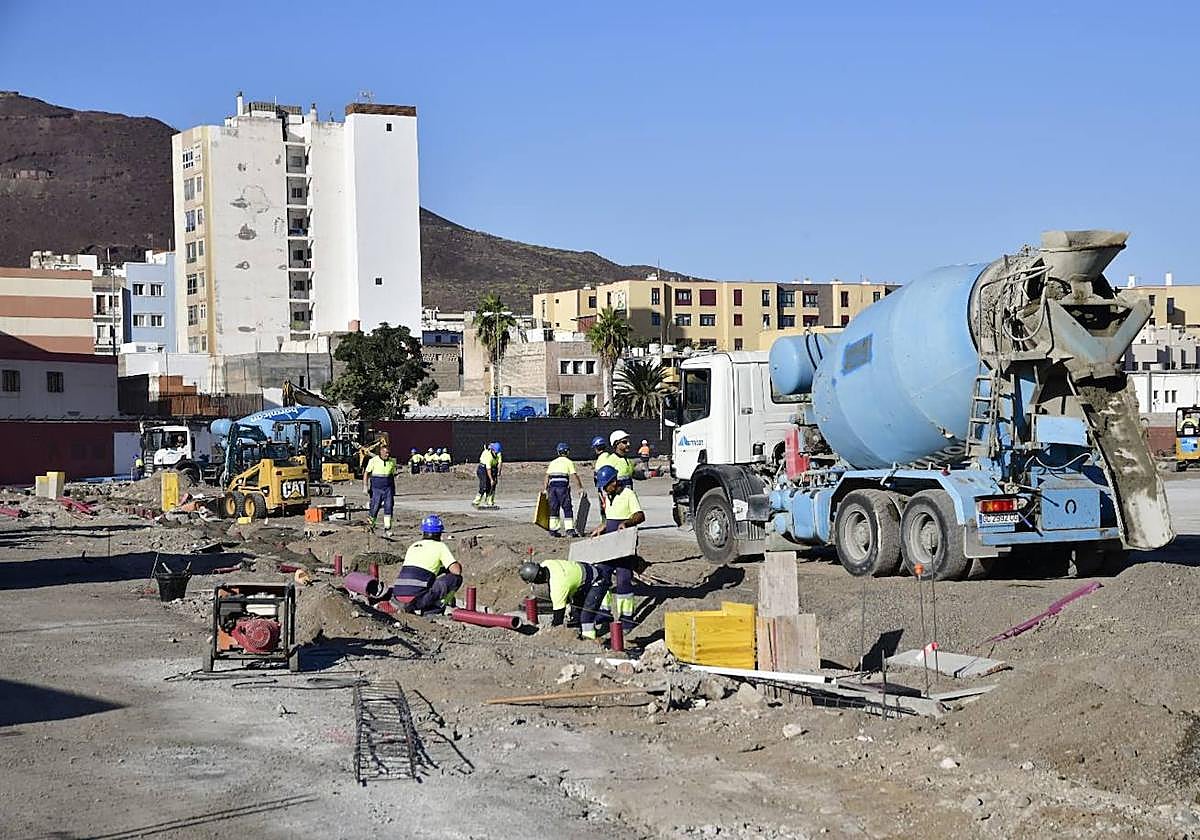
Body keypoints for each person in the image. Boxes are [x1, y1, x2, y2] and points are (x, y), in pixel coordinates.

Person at [583, 464, 646, 638]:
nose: (603, 489)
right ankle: (604, 613)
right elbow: (610, 519)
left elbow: (640, 515)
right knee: (602, 577)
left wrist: (627, 523)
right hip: (609, 545)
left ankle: (626, 619)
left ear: (614, 481)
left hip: (623, 544)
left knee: (623, 580)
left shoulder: (628, 494)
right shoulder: (607, 496)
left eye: (605, 485)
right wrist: (602, 527)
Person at [392, 514, 463, 614]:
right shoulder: (440, 546)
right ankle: (434, 610)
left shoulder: (413, 546)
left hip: (397, 597)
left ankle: (410, 608)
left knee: (426, 581)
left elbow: (420, 571)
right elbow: (456, 571)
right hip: (417, 599)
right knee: (456, 579)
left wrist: (439, 570)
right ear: (439, 533)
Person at [519, 558, 596, 627]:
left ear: (537, 578)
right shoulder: (547, 563)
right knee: (576, 609)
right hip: (582, 567)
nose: (535, 584)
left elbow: (558, 618)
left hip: (594, 581)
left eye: (533, 581)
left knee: (586, 618)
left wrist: (553, 629)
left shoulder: (557, 587)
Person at [544, 442, 585, 538]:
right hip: (562, 488)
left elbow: (546, 476)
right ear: (567, 452)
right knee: (567, 508)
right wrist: (580, 488)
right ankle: (569, 530)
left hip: (552, 488)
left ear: (558, 452)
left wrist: (545, 489)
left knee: (554, 508)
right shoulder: (569, 462)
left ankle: (553, 530)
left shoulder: (553, 462)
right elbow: (574, 475)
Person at [362, 443, 398, 536]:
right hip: (376, 488)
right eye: (385, 453)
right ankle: (370, 526)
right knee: (374, 508)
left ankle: (387, 529)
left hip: (388, 489)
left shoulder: (392, 462)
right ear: (381, 452)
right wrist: (365, 486)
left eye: (388, 453)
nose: (387, 455)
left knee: (389, 507)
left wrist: (393, 490)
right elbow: (366, 473)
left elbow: (391, 476)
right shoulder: (373, 461)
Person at [474, 441, 501, 508]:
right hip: (483, 469)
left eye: (497, 452)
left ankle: (489, 501)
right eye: (495, 452)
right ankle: (476, 501)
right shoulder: (488, 456)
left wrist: (498, 472)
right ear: (492, 450)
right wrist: (491, 479)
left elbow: (500, 462)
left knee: (493, 485)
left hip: (493, 468)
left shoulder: (498, 453)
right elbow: (488, 469)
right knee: (484, 485)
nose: (496, 453)